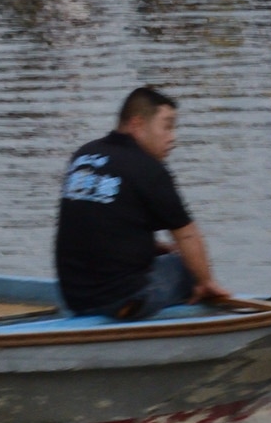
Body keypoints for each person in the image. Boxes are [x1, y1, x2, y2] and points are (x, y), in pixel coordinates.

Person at [54, 87, 230, 321]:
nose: (172, 137)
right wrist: (206, 282)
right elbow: (187, 235)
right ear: (137, 125)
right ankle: (141, 308)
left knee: (168, 256)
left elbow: (98, 226)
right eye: (167, 126)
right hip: (122, 299)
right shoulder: (149, 169)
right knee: (187, 266)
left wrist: (156, 248)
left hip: (74, 298)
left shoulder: (84, 155)